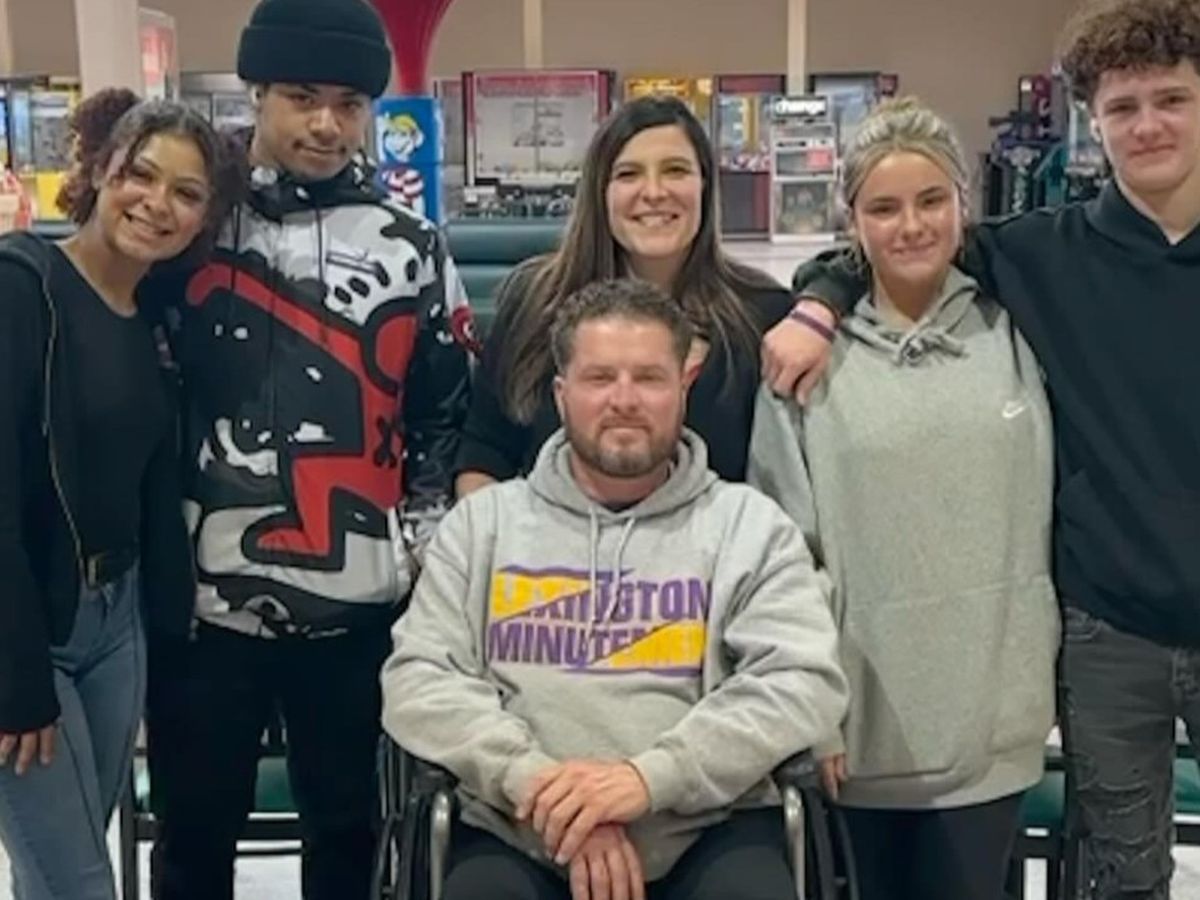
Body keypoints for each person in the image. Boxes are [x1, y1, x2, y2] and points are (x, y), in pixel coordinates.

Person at [767, 1, 1200, 895]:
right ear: (1093, 121)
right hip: (1112, 628)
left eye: (1173, 100)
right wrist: (817, 302)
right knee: (1123, 877)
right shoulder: (1041, 257)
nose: (1148, 125)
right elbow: (896, 240)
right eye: (1123, 107)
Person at [143, 1, 474, 898]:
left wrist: (419, 552)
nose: (326, 124)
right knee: (193, 839)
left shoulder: (412, 245)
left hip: (358, 609)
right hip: (202, 611)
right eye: (301, 97)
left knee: (348, 839)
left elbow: (442, 409)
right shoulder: (188, 230)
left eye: (349, 104)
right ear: (257, 93)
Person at [382, 278, 848, 900]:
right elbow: (419, 679)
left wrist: (647, 780)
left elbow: (801, 681)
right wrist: (540, 788)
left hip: (706, 826)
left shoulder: (749, 527)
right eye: (600, 378)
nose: (624, 400)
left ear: (683, 387)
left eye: (649, 378)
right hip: (519, 825)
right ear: (561, 394)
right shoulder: (481, 527)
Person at [748, 98, 1059, 900]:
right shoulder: (801, 363)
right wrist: (812, 710)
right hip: (859, 731)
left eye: (930, 201)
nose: (911, 225)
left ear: (964, 203)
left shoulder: (1025, 330)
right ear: (851, 221)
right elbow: (784, 552)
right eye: (883, 207)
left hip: (993, 723)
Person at [0, 88, 240, 900]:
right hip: (29, 627)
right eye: (141, 174)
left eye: (185, 192)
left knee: (61, 871)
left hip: (115, 624)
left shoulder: (149, 316)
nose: (156, 203)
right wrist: (13, 672)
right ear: (102, 170)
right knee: (78, 885)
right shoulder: (21, 286)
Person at [455, 95, 793, 494]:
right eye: (629, 174)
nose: (654, 192)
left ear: (705, 185)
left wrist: (824, 303)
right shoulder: (534, 302)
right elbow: (484, 452)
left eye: (675, 170)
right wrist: (491, 533)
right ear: (600, 191)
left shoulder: (764, 315)